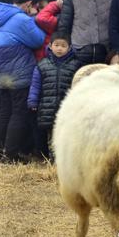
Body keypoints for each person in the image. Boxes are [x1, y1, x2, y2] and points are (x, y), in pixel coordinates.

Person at [0, 0, 45, 162]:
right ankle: (10, 155)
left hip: (0, 73)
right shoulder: (21, 19)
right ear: (29, 4)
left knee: (4, 110)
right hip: (18, 73)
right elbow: (38, 40)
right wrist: (35, 19)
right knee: (19, 112)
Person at [27, 32, 80, 160]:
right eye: (56, 45)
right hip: (48, 109)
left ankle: (65, 161)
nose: (59, 48)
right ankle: (52, 161)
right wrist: (32, 101)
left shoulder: (75, 65)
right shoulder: (42, 65)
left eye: (63, 45)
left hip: (67, 110)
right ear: (50, 46)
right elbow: (35, 85)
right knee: (51, 137)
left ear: (70, 47)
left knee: (67, 137)